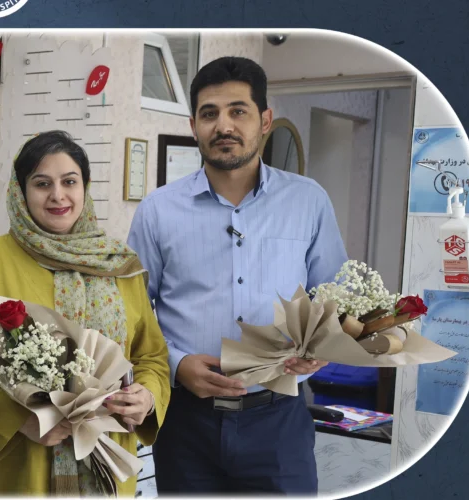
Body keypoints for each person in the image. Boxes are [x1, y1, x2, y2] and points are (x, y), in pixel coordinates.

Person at [126, 56, 348, 495]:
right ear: (194, 126)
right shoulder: (157, 211)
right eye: (209, 114)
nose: (223, 125)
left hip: (279, 419)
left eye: (238, 111)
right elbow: (131, 312)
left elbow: (335, 297)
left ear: (264, 120)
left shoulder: (308, 201)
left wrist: (320, 348)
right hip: (186, 423)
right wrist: (176, 365)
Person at [0, 131, 171, 496]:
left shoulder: (118, 265)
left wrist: (146, 397)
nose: (58, 195)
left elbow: (151, 355)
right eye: (42, 184)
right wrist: (20, 419)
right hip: (20, 467)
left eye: (69, 182)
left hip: (106, 460)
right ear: (20, 192)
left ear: (85, 187)